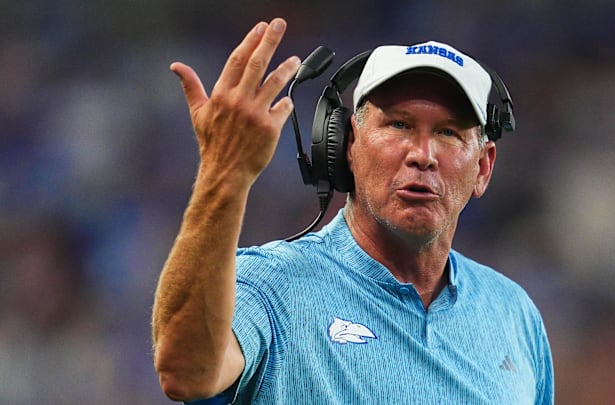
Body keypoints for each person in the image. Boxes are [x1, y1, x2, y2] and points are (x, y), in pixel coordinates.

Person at [152, 17, 554, 405]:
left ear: (482, 167)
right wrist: (223, 177)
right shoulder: (269, 288)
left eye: (448, 133)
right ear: (345, 146)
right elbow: (185, 372)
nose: (422, 155)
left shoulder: (513, 315)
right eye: (398, 125)